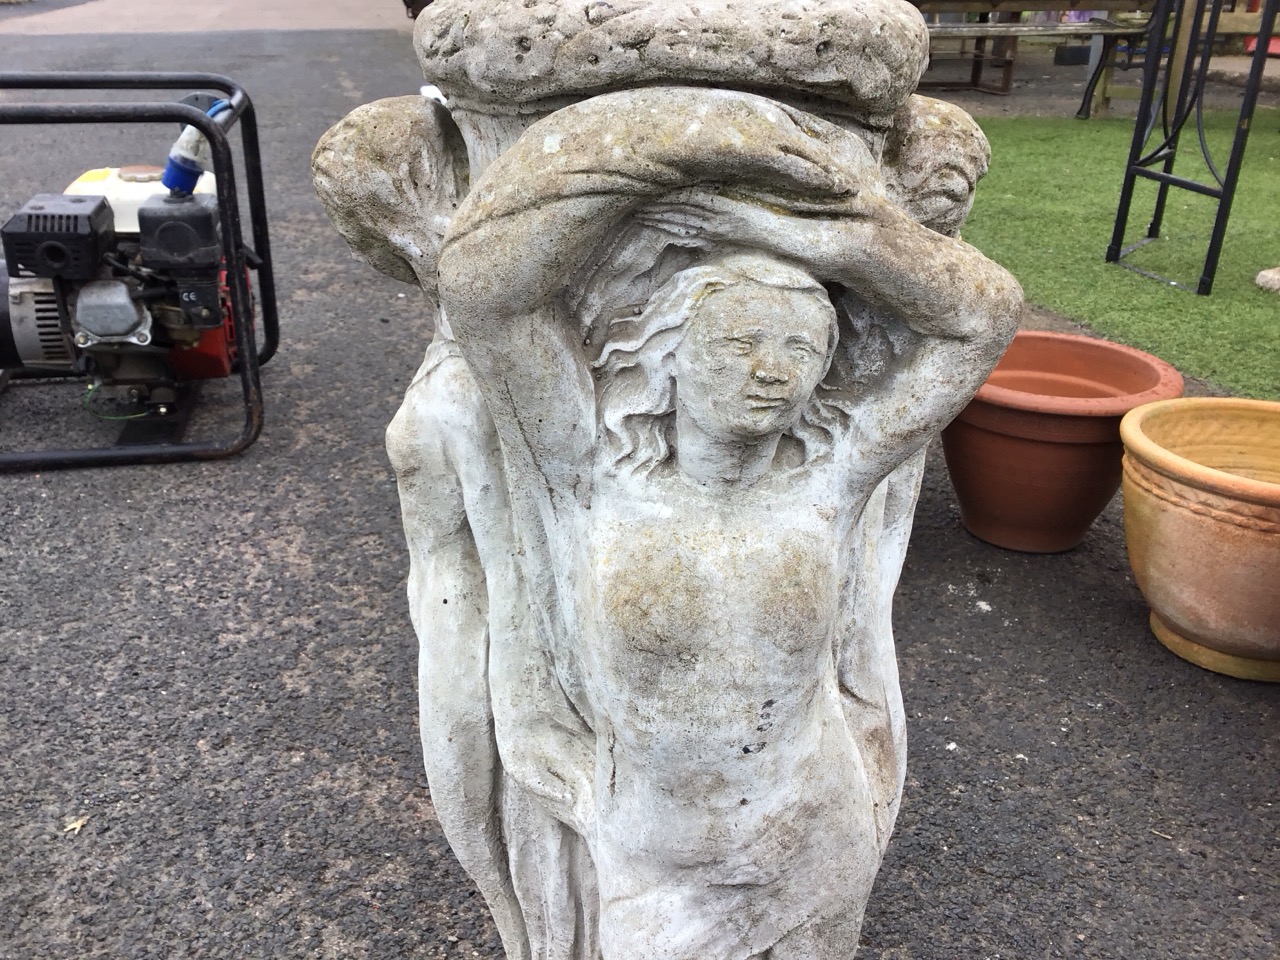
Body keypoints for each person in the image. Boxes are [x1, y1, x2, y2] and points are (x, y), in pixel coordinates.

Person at [436, 86, 1022, 959]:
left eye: (800, 349)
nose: (772, 373)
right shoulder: (588, 472)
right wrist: (672, 144)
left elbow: (983, 313)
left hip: (813, 830)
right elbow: (484, 290)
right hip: (653, 848)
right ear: (668, 357)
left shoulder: (831, 478)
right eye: (738, 343)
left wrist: (818, 232)